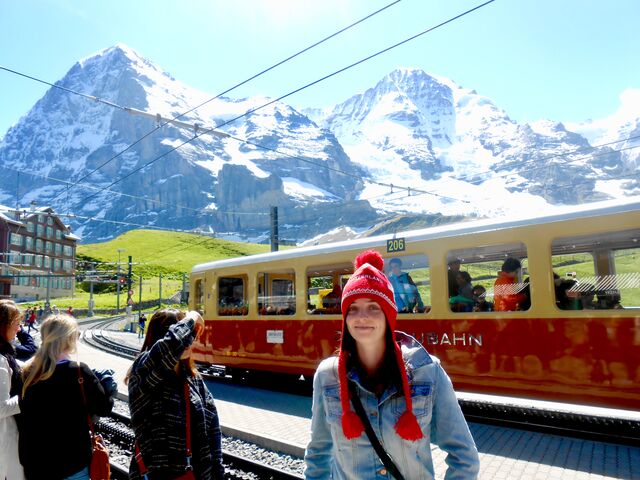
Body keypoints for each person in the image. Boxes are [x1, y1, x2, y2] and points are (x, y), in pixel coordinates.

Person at [304, 250, 479, 479]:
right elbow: (318, 454)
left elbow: (464, 457)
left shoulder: (427, 372)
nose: (361, 316)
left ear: (389, 315)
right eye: (352, 309)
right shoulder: (327, 376)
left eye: (373, 307)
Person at [127, 309, 225, 480]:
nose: (188, 340)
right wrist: (192, 318)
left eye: (192, 334)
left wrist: (217, 473)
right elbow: (170, 345)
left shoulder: (194, 380)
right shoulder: (142, 373)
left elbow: (213, 433)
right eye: (185, 333)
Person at [19, 314, 115, 480]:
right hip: (72, 462)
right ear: (68, 339)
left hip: (35, 462)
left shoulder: (28, 371)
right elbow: (104, 408)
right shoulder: (78, 371)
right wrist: (107, 388)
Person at [0, 300, 26, 480]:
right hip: (5, 438)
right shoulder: (1, 360)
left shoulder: (6, 354)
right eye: (16, 324)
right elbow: (1, 407)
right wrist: (29, 397)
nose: (19, 329)